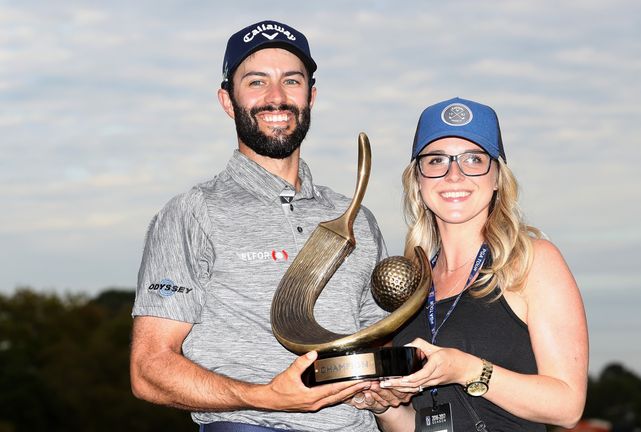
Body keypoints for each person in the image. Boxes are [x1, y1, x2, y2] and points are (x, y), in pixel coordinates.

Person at [130, 20, 391, 432]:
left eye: (292, 80)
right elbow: (149, 369)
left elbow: (375, 343)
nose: (276, 97)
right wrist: (262, 397)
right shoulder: (191, 212)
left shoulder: (356, 216)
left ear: (311, 96)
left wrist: (384, 386)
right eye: (256, 82)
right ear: (227, 100)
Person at [372, 97, 589, 431]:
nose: (454, 175)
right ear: (418, 179)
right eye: (436, 160)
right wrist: (383, 406)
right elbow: (417, 423)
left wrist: (466, 369)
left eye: (473, 159)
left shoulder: (532, 261)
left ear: (498, 177)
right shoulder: (412, 286)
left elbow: (567, 406)